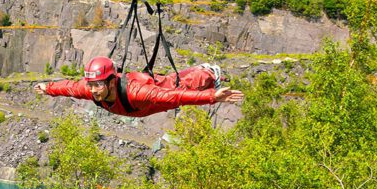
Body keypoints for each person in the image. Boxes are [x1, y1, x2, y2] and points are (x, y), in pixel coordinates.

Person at [35, 56, 244, 118]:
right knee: (171, 82)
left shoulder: (138, 93)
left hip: (145, 98)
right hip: (136, 106)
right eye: (90, 85)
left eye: (98, 84)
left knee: (175, 86)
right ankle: (201, 73)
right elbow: (69, 87)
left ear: (110, 81)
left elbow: (176, 97)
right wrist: (48, 88)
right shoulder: (90, 90)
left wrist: (212, 96)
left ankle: (207, 72)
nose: (93, 90)